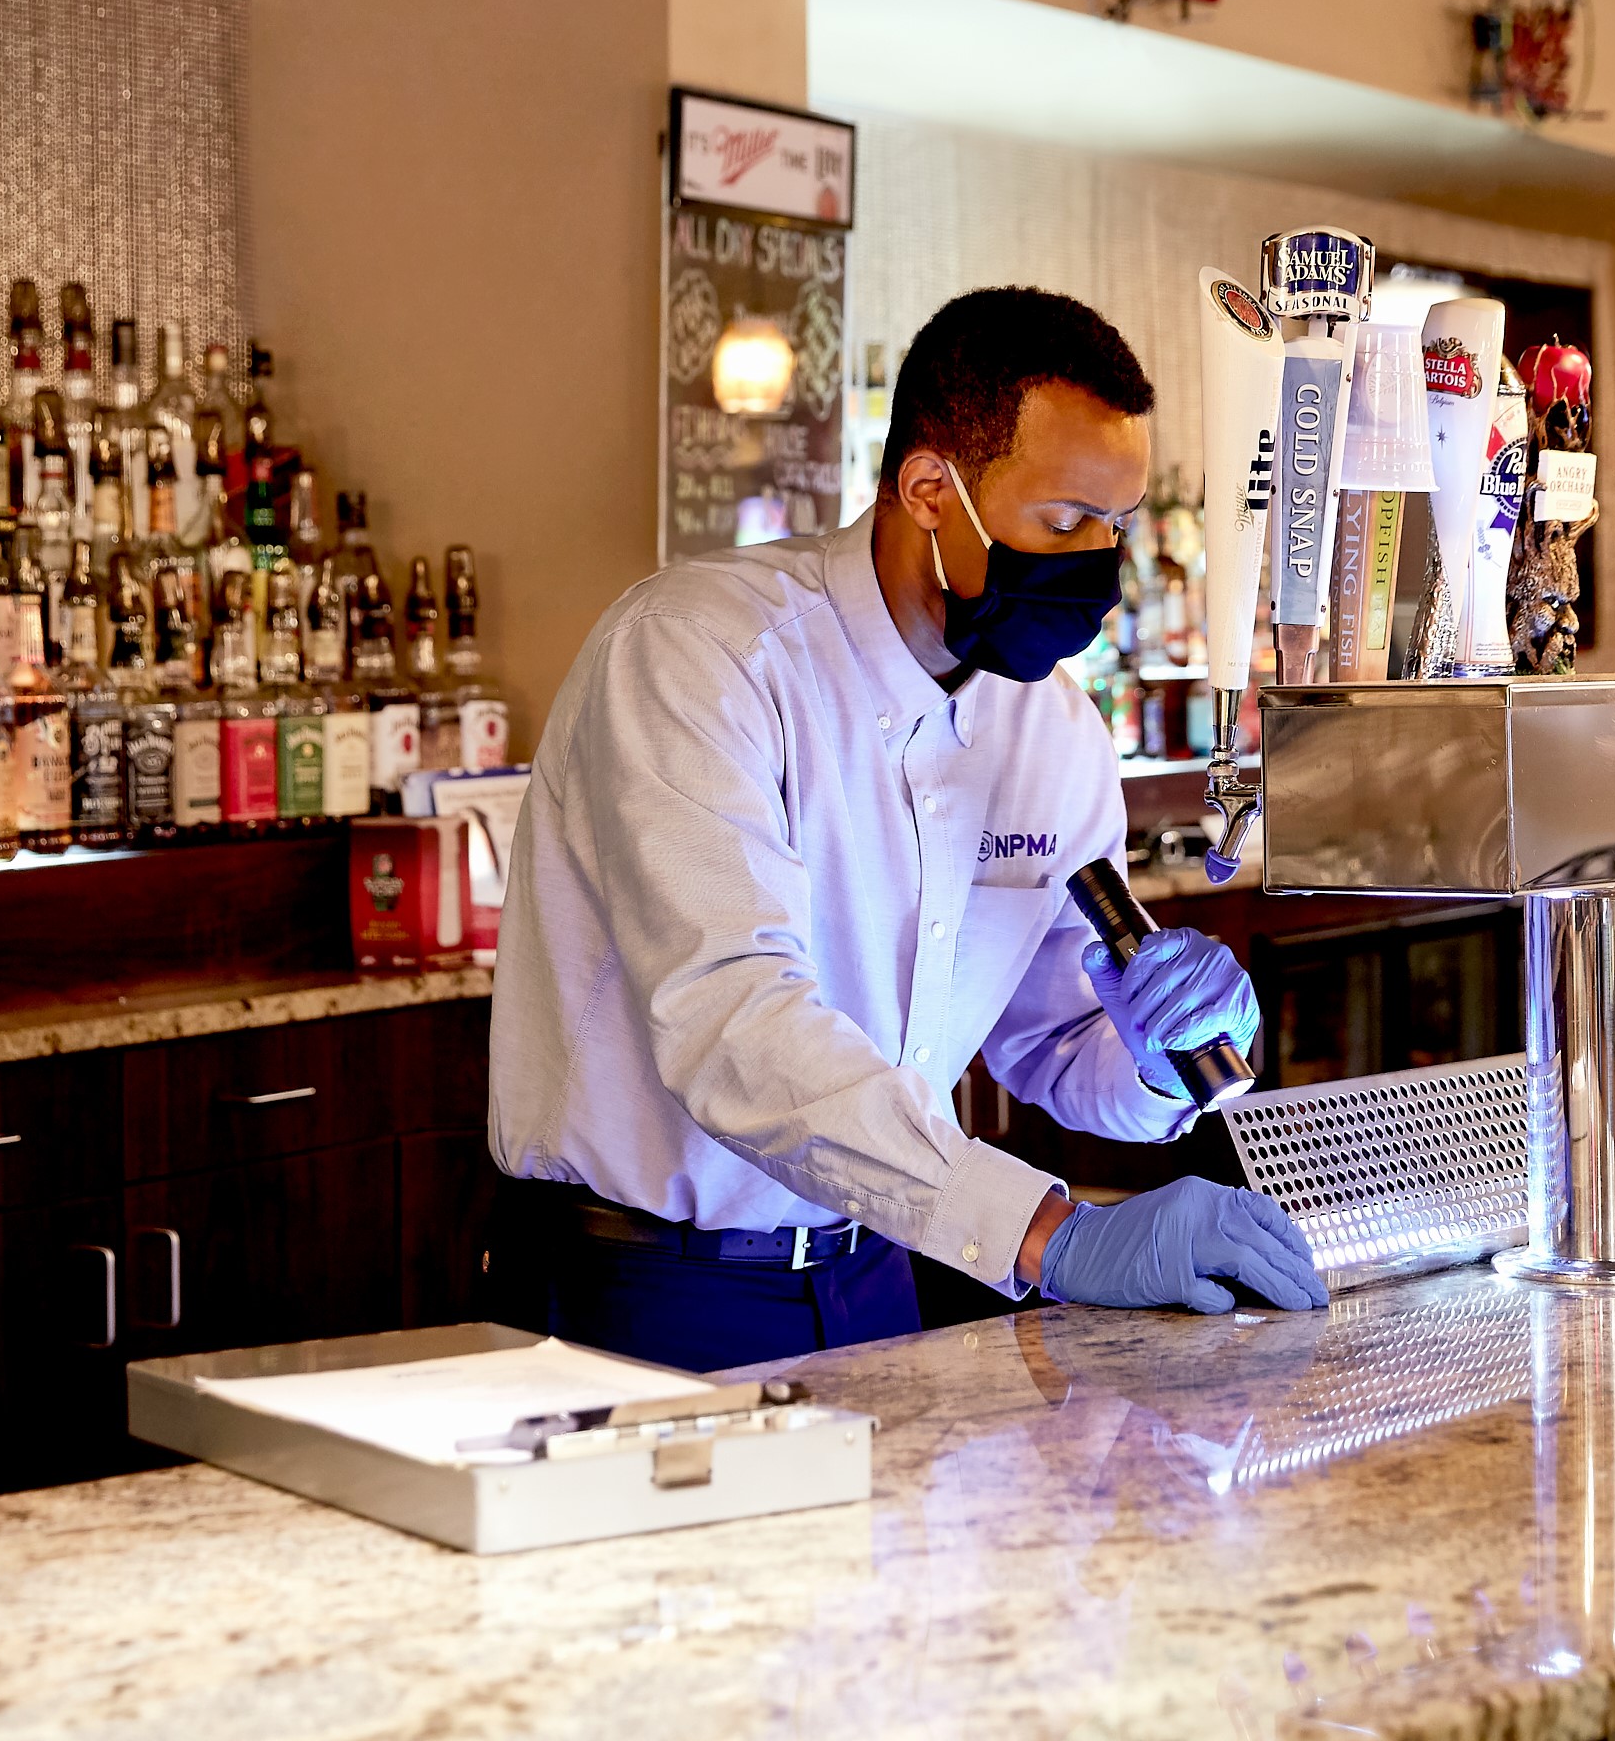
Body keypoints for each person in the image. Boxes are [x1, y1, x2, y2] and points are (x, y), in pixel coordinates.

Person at [487, 286, 1325, 1372]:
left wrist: (1161, 1053)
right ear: (931, 489)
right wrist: (1051, 1234)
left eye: (1115, 528)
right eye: (1065, 522)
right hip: (645, 1283)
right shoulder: (701, 655)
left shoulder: (1054, 730)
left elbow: (1055, 1044)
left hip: (880, 1267)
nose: (1098, 568)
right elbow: (734, 1024)